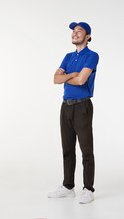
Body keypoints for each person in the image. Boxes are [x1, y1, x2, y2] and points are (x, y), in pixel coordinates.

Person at [48, 22, 99, 204]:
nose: (74, 34)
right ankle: (68, 187)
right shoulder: (68, 56)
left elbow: (81, 80)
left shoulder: (92, 56)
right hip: (66, 106)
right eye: (73, 31)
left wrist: (68, 76)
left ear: (88, 37)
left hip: (82, 106)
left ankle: (88, 189)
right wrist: (72, 74)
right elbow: (55, 79)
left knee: (86, 149)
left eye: (79, 31)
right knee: (67, 148)